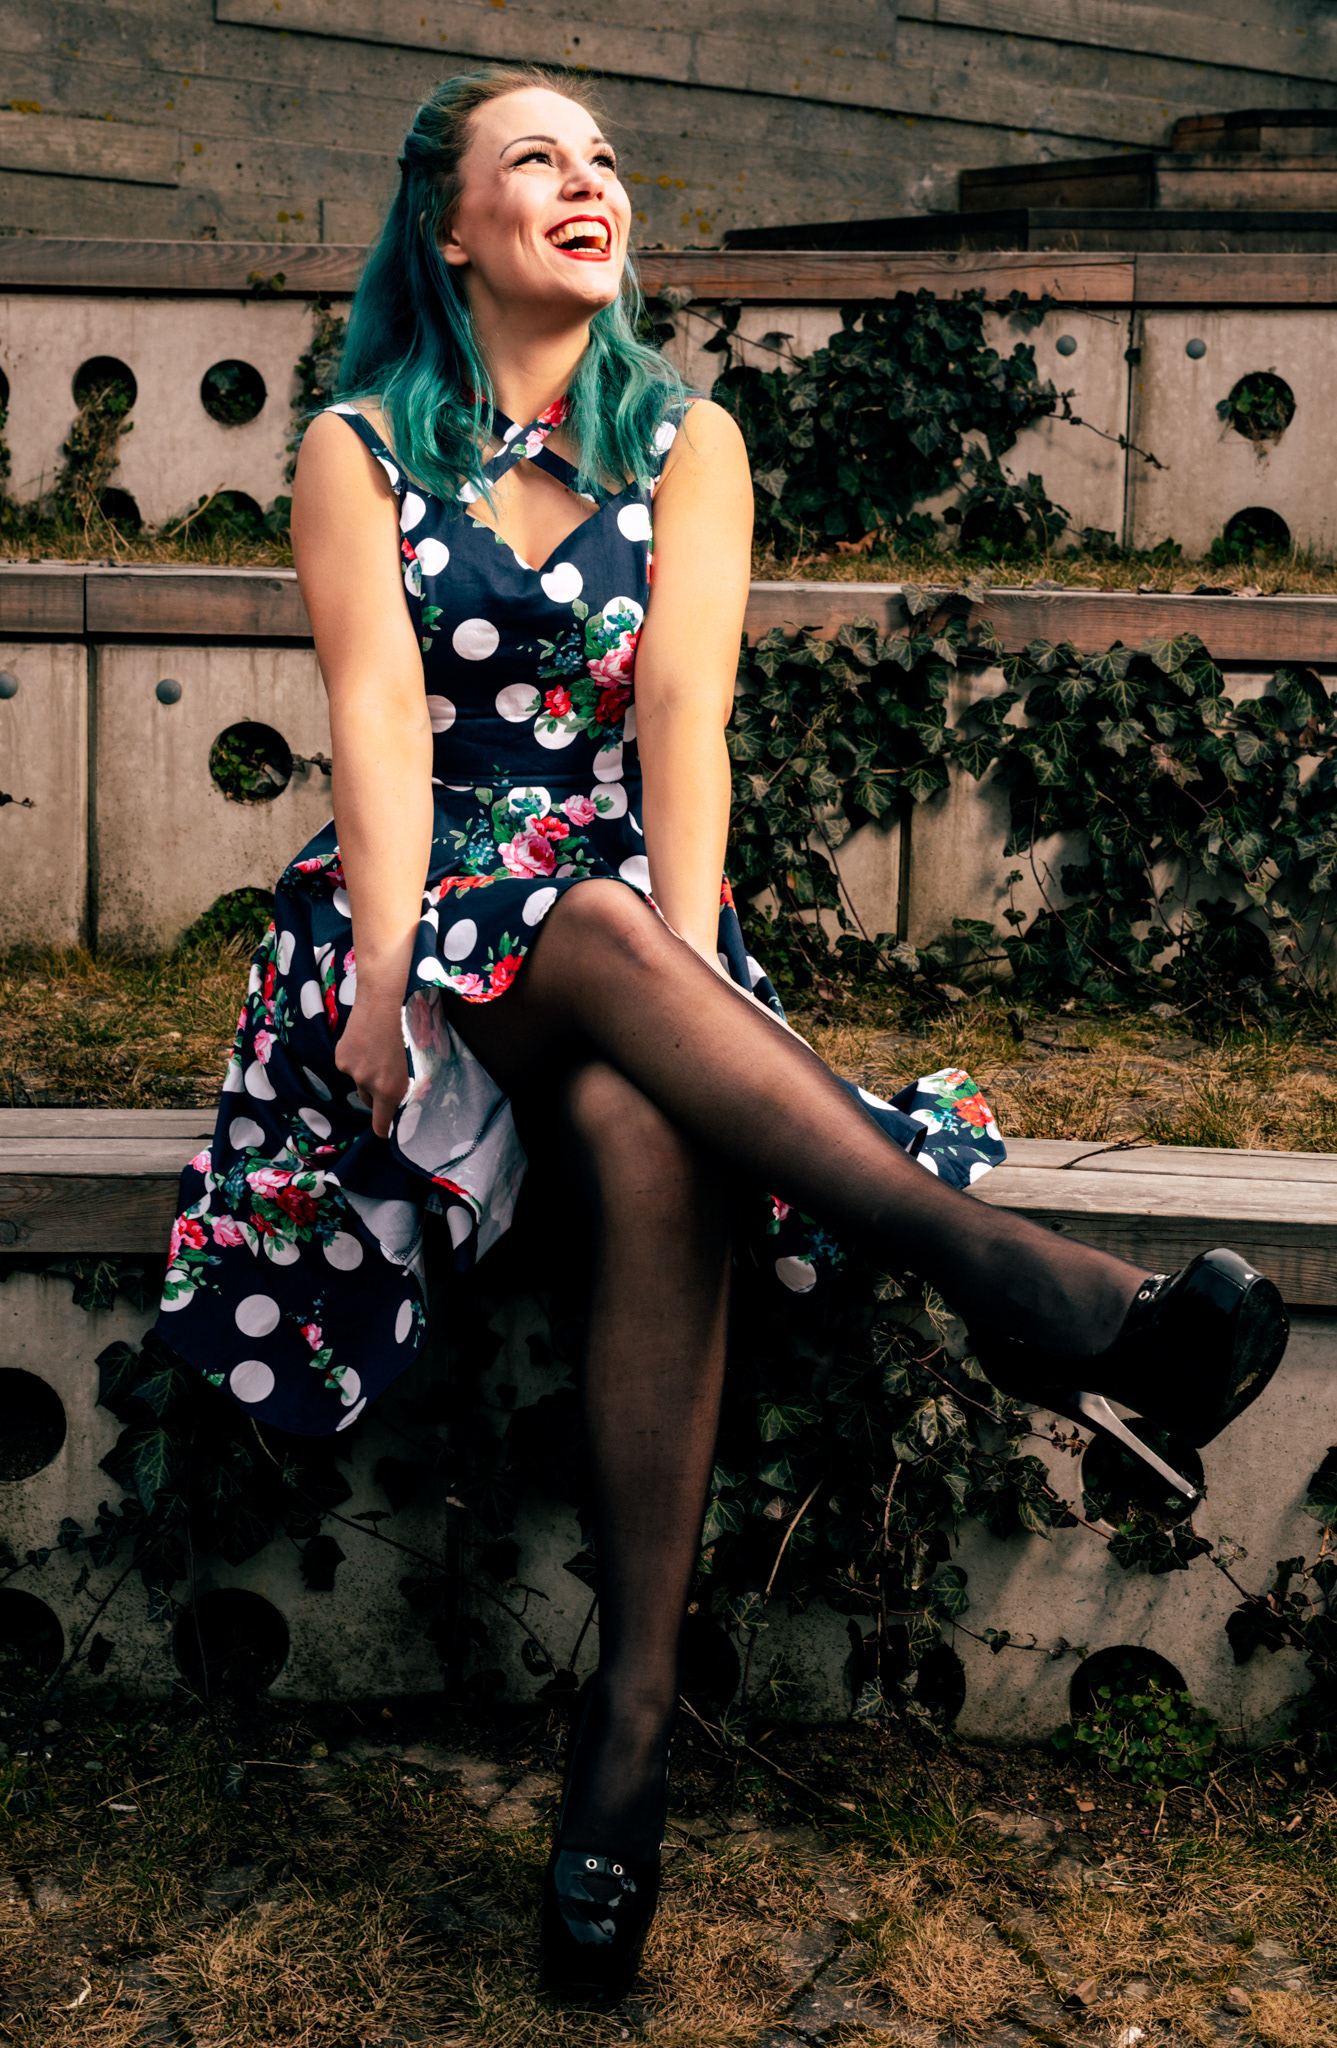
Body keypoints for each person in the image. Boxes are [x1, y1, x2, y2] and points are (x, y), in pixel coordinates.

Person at [155, 64, 1289, 2006]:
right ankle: (1024, 1289)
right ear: (450, 228)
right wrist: (386, 972)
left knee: (652, 1113)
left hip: (617, 929)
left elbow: (683, 721)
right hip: (419, 921)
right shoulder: (360, 447)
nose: (587, 180)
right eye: (537, 158)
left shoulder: (688, 443)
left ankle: (624, 1746)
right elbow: (381, 724)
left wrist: (699, 995)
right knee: (574, 913)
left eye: (604, 156)